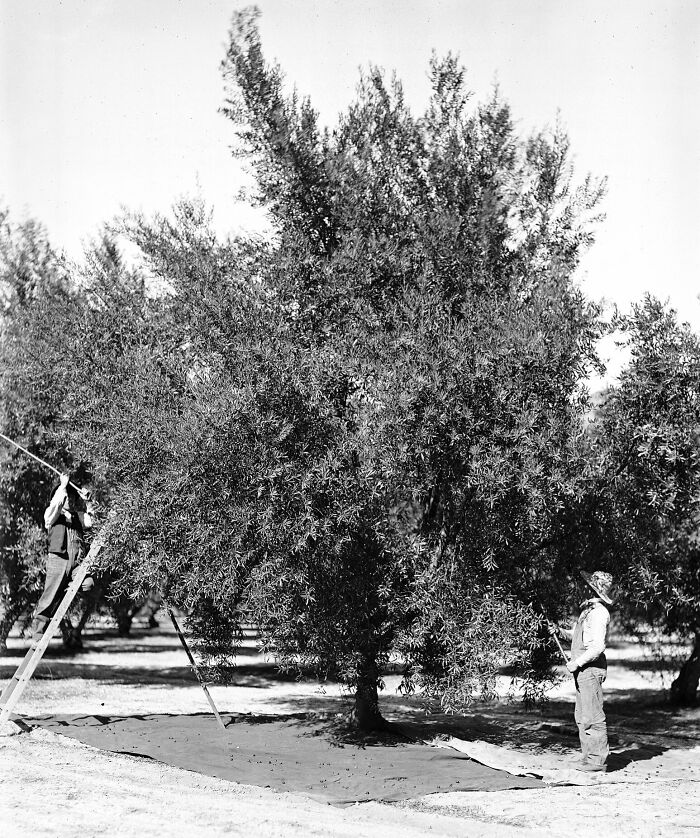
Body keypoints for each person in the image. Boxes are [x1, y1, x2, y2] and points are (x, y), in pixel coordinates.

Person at [551, 570, 616, 773]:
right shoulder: (587, 610)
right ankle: (589, 758)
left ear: (592, 589)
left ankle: (597, 762)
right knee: (581, 715)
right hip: (583, 670)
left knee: (592, 716)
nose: (580, 587)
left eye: (585, 585)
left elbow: (597, 647)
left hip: (590, 669)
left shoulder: (598, 613)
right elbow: (577, 637)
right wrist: (558, 632)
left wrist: (576, 663)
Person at [31, 473, 95, 638]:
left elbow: (92, 521)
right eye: (68, 496)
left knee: (88, 584)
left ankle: (64, 588)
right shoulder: (51, 515)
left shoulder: (78, 516)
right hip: (58, 559)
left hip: (76, 562)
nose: (71, 500)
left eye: (73, 497)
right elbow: (57, 504)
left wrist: (88, 501)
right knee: (49, 596)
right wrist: (63, 487)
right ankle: (38, 632)